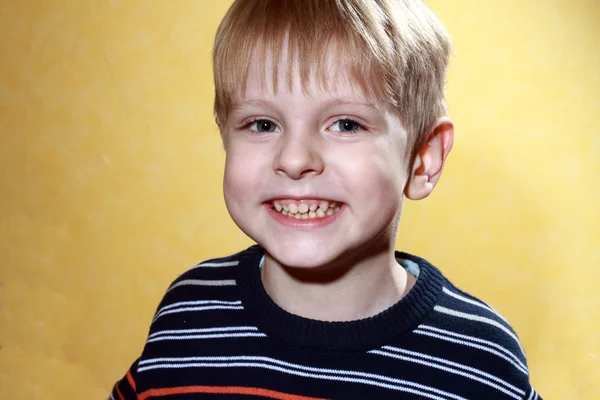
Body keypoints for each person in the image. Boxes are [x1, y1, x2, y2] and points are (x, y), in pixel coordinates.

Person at [110, 1, 542, 398]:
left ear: (422, 159)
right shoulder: (189, 313)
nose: (295, 160)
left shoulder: (478, 360)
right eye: (262, 124)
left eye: (346, 124)